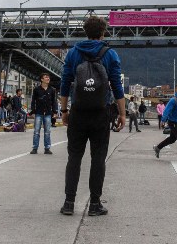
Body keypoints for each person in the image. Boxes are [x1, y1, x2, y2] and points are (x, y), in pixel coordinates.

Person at [59, 16, 126, 216]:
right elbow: (117, 86)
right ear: (103, 32)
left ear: (85, 32)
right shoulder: (110, 54)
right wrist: (122, 113)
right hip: (101, 113)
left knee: (74, 157)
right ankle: (95, 204)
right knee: (98, 158)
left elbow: (64, 83)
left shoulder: (73, 53)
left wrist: (64, 111)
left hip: (78, 112)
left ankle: (69, 203)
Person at [29, 73, 57, 154]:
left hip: (48, 113)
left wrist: (54, 112)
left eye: (48, 77)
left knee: (47, 131)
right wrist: (33, 112)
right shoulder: (36, 89)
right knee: (36, 131)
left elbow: (54, 102)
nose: (48, 78)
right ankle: (35, 148)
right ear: (41, 79)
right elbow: (33, 101)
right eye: (46, 77)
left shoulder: (52, 90)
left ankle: (47, 148)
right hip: (38, 113)